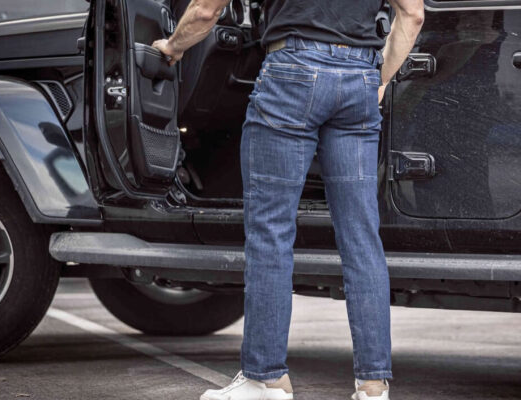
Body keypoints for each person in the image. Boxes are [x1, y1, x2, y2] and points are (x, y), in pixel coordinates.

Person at [153, 0, 424, 398]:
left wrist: (172, 47)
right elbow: (413, 14)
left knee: (272, 233)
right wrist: (376, 80)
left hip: (293, 72)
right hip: (359, 77)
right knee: (362, 238)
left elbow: (207, 10)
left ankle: (266, 380)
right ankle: (373, 387)